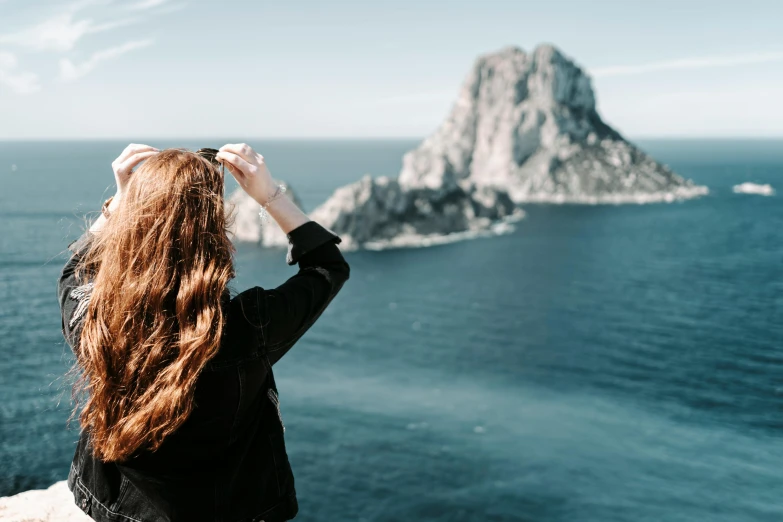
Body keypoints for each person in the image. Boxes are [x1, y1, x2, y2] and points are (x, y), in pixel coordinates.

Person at [57, 143, 350, 522]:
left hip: (117, 510)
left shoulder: (95, 320)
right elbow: (328, 267)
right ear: (218, 239)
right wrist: (270, 195)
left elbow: (75, 270)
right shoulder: (251, 324)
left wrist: (121, 201)